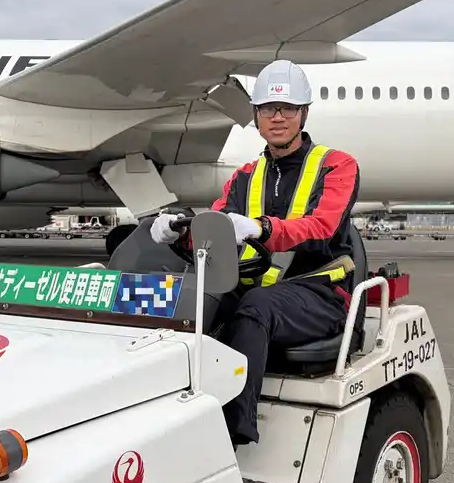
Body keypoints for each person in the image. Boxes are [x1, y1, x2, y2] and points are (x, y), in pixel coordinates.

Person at [149, 59, 361, 447]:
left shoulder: (337, 166)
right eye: (268, 109)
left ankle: (232, 435)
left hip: (320, 293)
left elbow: (322, 229)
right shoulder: (244, 176)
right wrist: (177, 232)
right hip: (257, 286)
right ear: (256, 116)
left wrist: (262, 228)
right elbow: (215, 230)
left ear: (304, 113)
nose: (277, 117)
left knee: (254, 307)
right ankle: (157, 414)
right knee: (178, 298)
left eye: (287, 108)